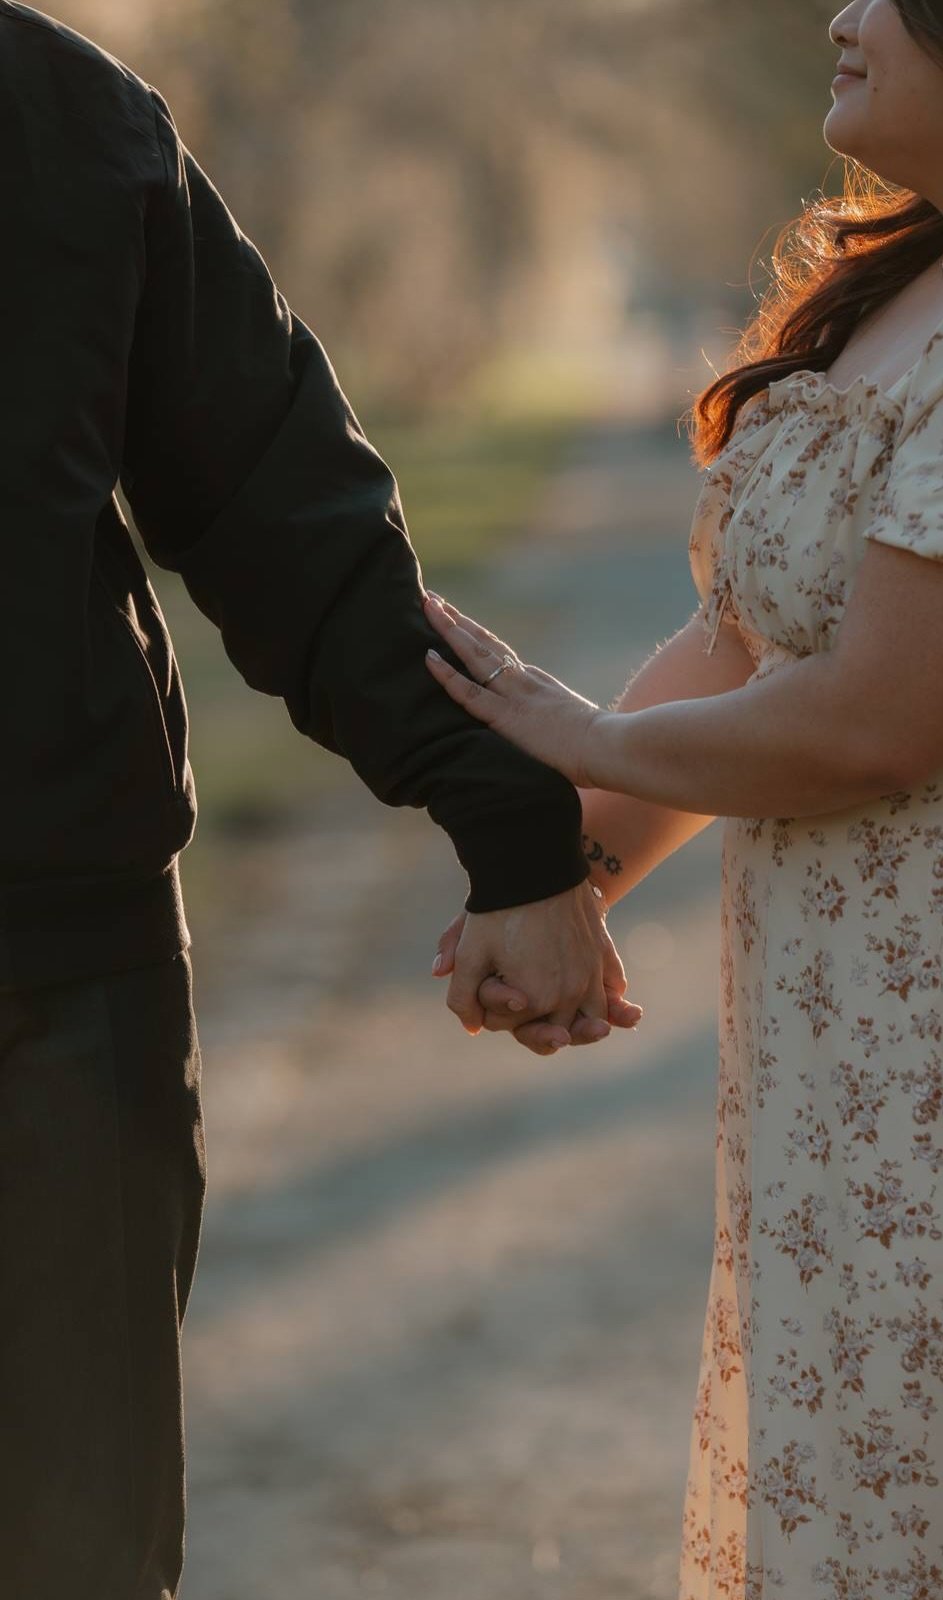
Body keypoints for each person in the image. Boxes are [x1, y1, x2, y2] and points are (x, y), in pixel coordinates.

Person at [427, 0, 943, 1593]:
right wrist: (567, 873)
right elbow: (742, 641)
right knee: (893, 1479)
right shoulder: (905, 289)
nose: (842, 19)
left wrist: (570, 728)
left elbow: (871, 728)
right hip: (867, 1044)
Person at [0, 4, 642, 1597]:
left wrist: (515, 837)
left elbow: (278, 506)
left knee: (73, 1550)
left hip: (49, 982)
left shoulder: (55, 118)